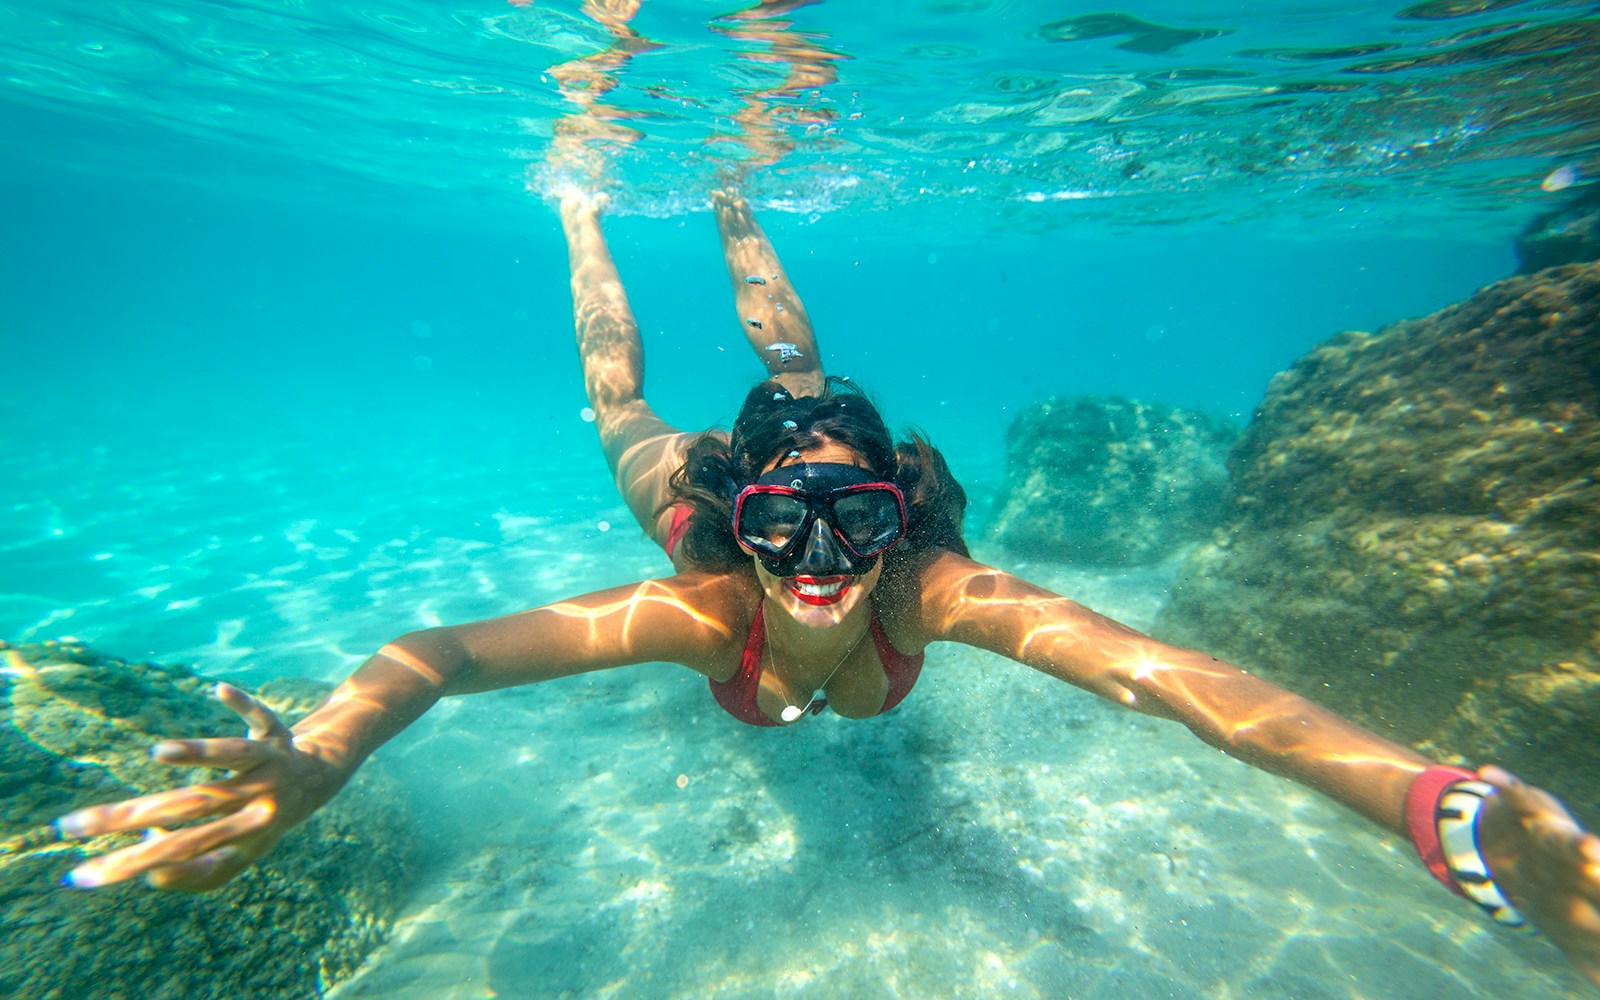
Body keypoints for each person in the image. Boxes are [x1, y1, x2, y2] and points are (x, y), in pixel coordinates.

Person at [54, 187, 1600, 987]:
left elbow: (1168, 682)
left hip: (803, 450)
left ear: (899, 518)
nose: (820, 565)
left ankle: (739, 211)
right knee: (621, 408)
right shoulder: (709, 593)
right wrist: (321, 754)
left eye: (857, 521)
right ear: (753, 519)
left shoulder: (932, 589)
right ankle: (589, 221)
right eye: (787, 524)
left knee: (800, 359)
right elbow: (436, 656)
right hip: (689, 494)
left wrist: (1436, 805)